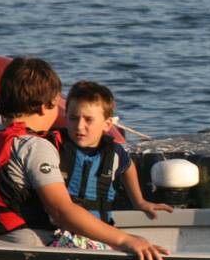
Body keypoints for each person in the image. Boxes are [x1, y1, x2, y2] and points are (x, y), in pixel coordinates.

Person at [0, 57, 168, 260]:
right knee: (139, 247)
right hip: (30, 248)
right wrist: (126, 240)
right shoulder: (34, 146)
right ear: (44, 107)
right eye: (56, 104)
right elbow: (62, 212)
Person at [49, 80, 173, 224]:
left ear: (107, 124)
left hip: (100, 230)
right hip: (59, 230)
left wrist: (138, 201)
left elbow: (128, 167)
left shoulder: (114, 153)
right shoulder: (54, 146)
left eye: (88, 120)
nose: (79, 126)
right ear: (65, 117)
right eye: (73, 118)